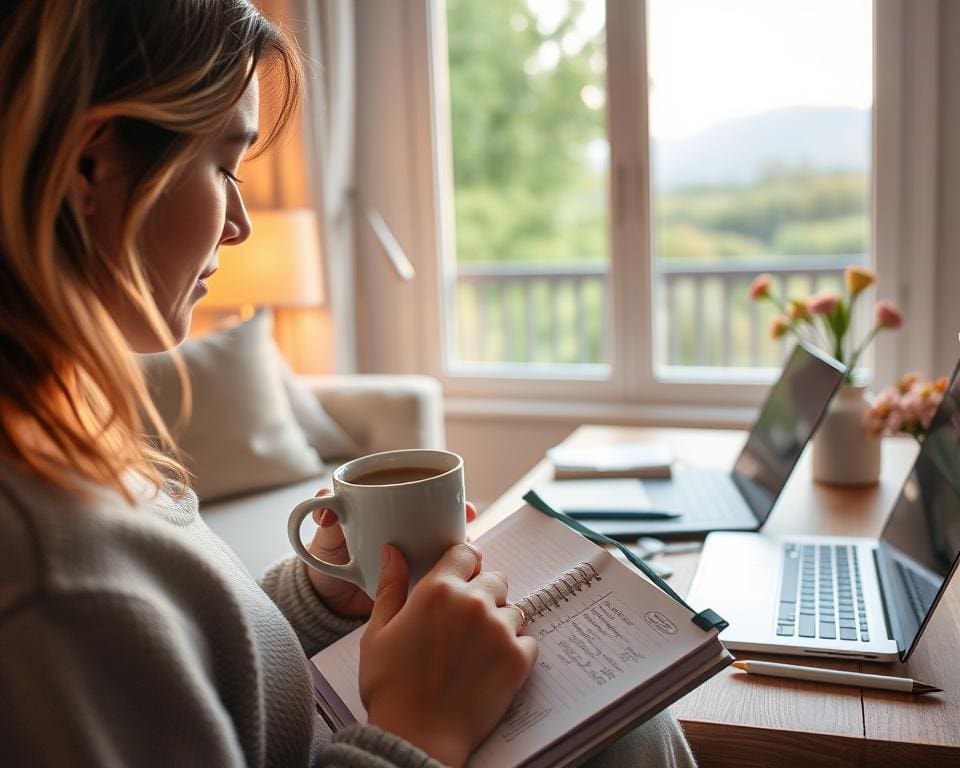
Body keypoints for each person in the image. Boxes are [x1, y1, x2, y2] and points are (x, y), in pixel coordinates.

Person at [0, 2, 697, 766]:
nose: (239, 223)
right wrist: (416, 731)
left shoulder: (63, 441)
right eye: (224, 166)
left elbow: (190, 667)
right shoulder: (54, 585)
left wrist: (321, 600)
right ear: (91, 167)